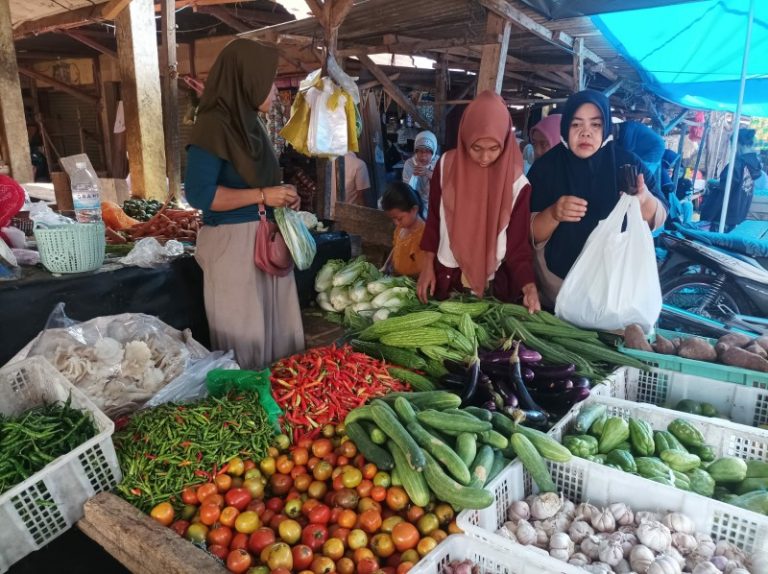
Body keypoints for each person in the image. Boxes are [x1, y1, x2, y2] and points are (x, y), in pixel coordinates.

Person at [184, 39, 304, 370]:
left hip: (264, 237)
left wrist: (282, 194)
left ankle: (285, 408)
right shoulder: (213, 124)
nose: (274, 88)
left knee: (278, 335)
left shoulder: (248, 124)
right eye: (268, 80)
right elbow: (199, 194)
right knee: (247, 341)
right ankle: (253, 414)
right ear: (245, 80)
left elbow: (255, 183)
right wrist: (264, 196)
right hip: (233, 246)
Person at [528, 89, 668, 307]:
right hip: (557, 292)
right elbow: (527, 233)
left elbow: (657, 219)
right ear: (565, 127)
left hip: (614, 295)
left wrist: (643, 199)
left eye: (595, 124)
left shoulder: (628, 163)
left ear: (607, 128)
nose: (586, 133)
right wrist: (553, 214)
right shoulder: (545, 169)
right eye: (576, 124)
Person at [417, 90, 540, 313]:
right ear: (465, 138)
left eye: (494, 149)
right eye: (476, 148)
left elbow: (517, 246)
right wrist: (427, 266)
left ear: (505, 142)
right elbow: (433, 220)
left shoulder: (518, 185)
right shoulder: (446, 167)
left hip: (493, 287)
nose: (484, 158)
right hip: (447, 277)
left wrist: (529, 286)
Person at [700, 128, 762, 233]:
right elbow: (737, 186)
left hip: (723, 217)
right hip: (738, 216)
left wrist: (712, 183)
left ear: (738, 143)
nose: (731, 148)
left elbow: (724, 190)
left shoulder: (736, 165)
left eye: (732, 144)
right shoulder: (753, 166)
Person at [381, 181, 426, 278]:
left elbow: (424, 270)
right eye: (393, 218)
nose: (396, 223)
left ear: (414, 209)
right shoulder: (401, 228)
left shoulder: (423, 235)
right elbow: (396, 247)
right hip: (397, 278)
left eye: (399, 218)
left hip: (412, 284)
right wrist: (386, 265)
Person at [401, 130, 439, 210]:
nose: (423, 156)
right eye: (420, 151)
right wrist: (413, 177)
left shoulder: (439, 163)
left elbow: (446, 185)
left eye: (428, 152)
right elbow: (406, 189)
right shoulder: (409, 164)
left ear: (433, 152)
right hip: (415, 204)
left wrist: (429, 174)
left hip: (435, 205)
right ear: (416, 151)